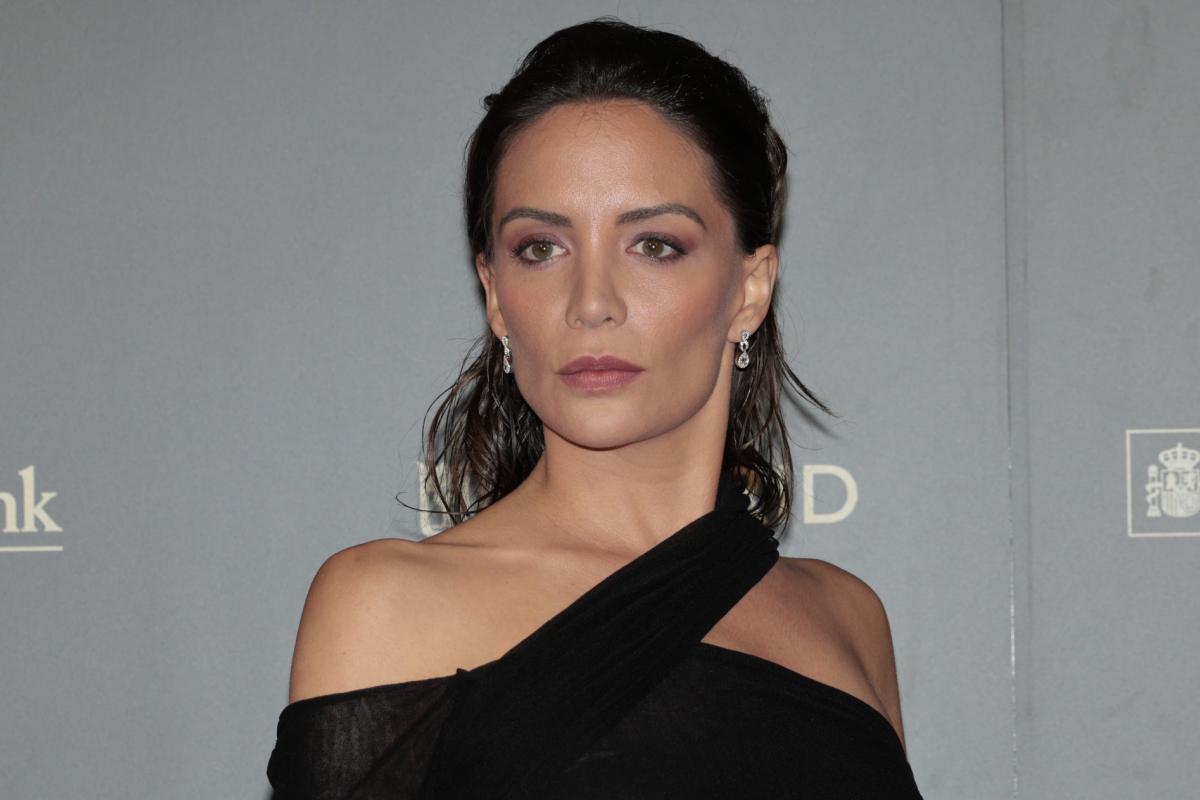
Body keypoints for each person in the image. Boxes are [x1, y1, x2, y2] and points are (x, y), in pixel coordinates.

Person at [267, 16, 924, 799]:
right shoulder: (384, 606)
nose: (591, 303)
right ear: (496, 297)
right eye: (541, 248)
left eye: (655, 245)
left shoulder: (847, 620)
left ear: (749, 290)